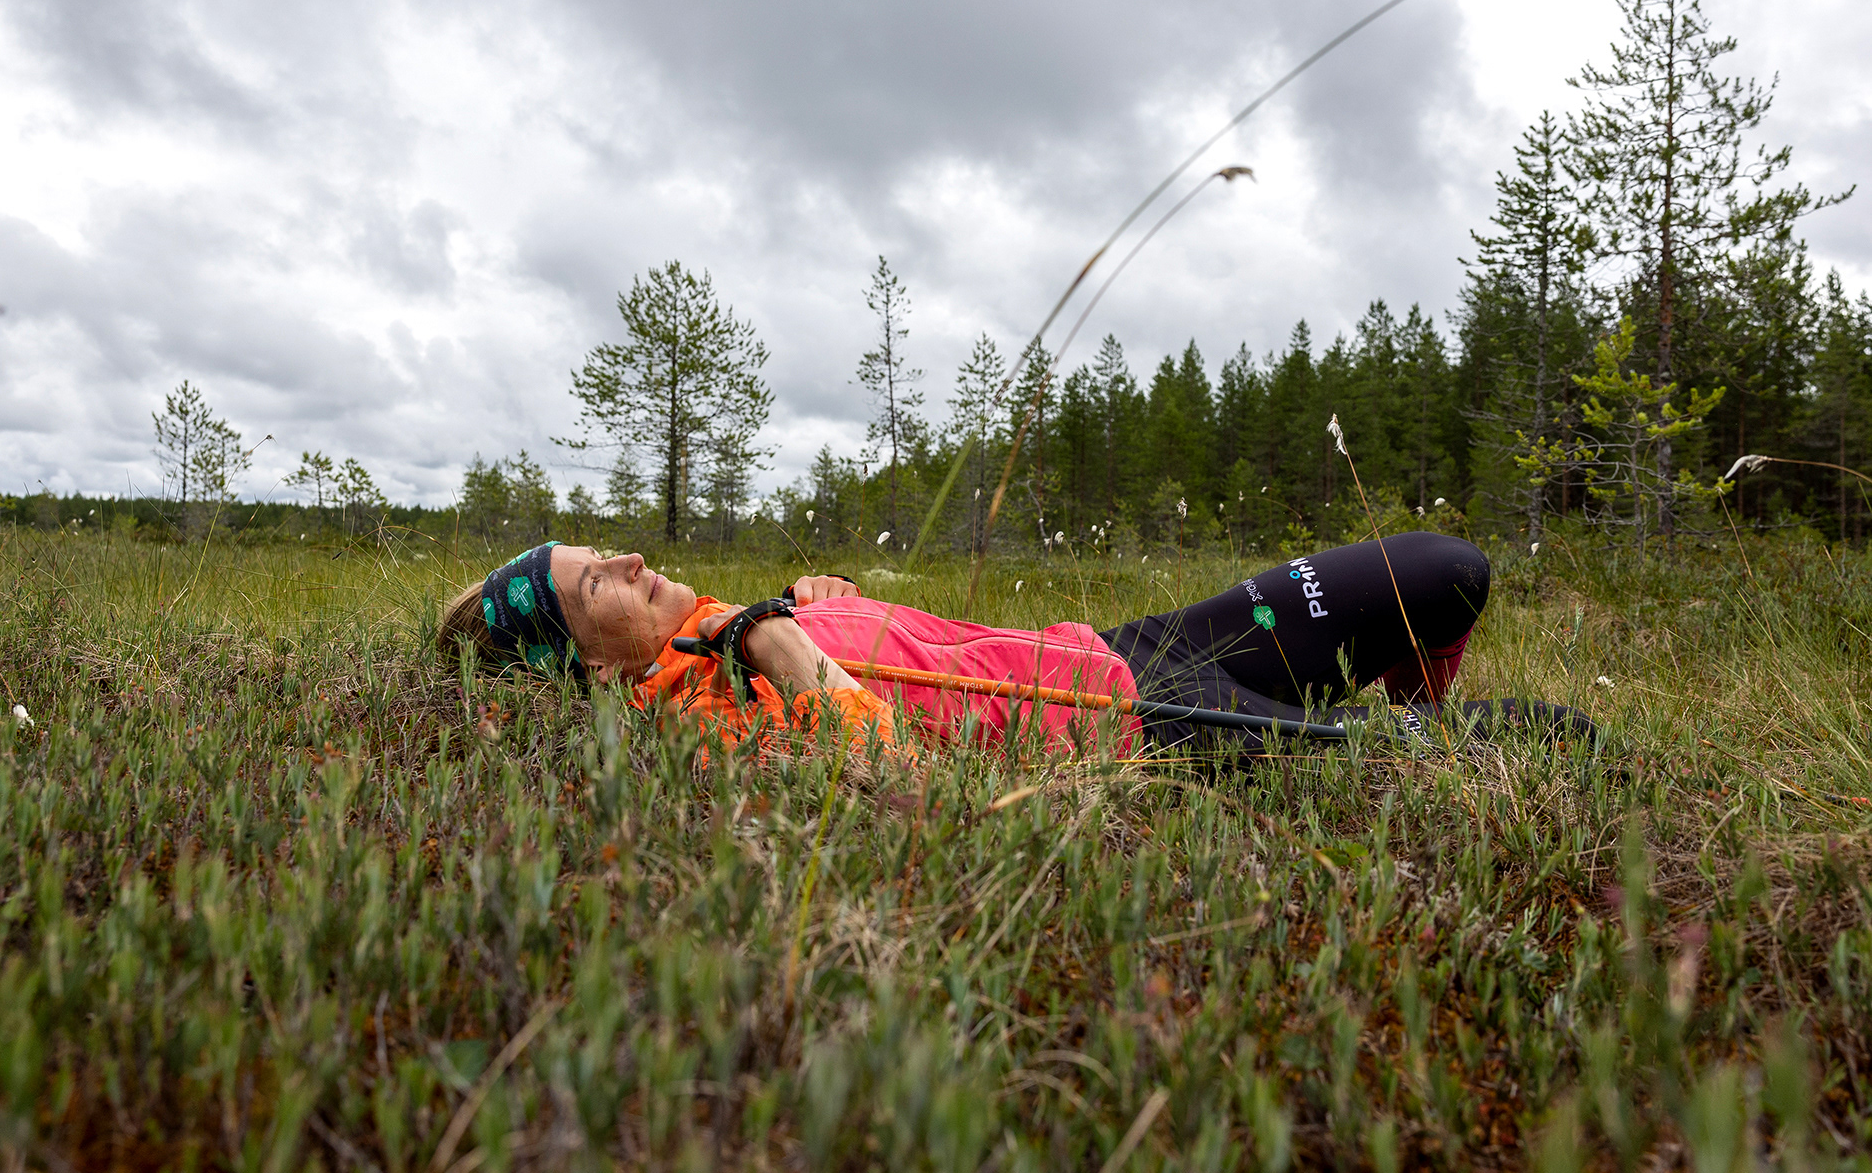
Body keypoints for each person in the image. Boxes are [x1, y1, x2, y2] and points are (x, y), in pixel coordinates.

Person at [436, 533, 1589, 759]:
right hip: (1138, 730)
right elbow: (876, 767)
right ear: (594, 662)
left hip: (1130, 642)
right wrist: (793, 649)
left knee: (1444, 572)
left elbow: (817, 626)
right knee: (1546, 747)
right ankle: (1398, 747)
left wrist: (808, 602)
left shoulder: (713, 620)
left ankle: (1413, 716)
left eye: (604, 549)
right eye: (599, 585)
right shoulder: (681, 713)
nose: (630, 561)